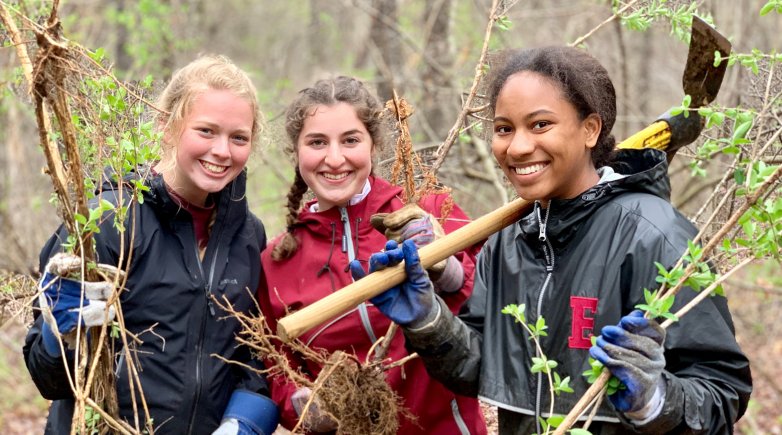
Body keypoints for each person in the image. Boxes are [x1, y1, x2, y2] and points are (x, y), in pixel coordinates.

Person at [352, 46, 752, 434]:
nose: (519, 146)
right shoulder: (507, 242)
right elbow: (482, 369)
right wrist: (428, 318)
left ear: (590, 129)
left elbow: (723, 392)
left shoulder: (655, 235)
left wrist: (655, 400)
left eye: (540, 124)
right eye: (504, 129)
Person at [24, 55, 279, 435]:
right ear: (165, 124)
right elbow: (49, 380)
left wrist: (246, 419)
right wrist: (57, 333)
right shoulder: (110, 222)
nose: (223, 151)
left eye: (238, 137)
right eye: (206, 131)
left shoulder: (247, 236)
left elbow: (250, 353)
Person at [258, 76, 487, 434]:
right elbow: (275, 366)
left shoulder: (428, 210)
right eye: (317, 142)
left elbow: (494, 313)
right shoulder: (277, 261)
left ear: (374, 146)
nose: (334, 159)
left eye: (350, 140)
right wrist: (300, 407)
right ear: (296, 152)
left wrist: (449, 270)